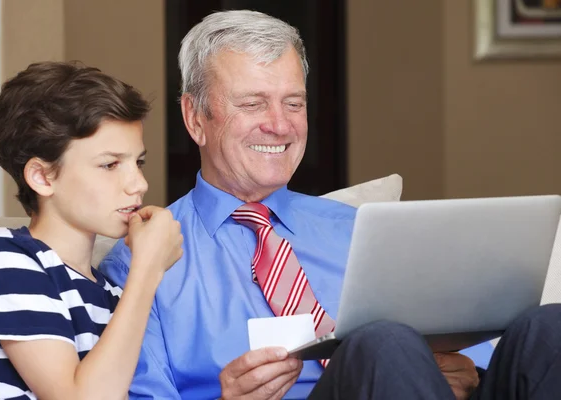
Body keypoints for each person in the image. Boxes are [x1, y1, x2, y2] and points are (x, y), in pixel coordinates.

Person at [99, 10, 561, 400]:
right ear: (195, 118)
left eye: (294, 103)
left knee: (550, 327)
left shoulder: (364, 229)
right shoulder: (145, 257)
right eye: (254, 103)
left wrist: (463, 373)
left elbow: (476, 358)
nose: (279, 126)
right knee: (382, 342)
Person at [0, 61, 183, 399]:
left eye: (138, 162)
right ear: (43, 177)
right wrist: (148, 268)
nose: (139, 184)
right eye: (110, 164)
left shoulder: (112, 294)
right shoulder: (3, 258)